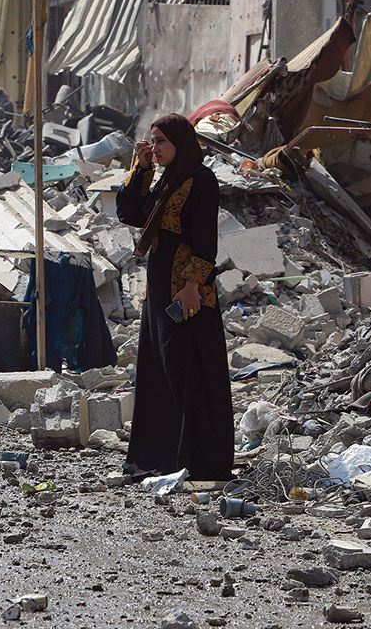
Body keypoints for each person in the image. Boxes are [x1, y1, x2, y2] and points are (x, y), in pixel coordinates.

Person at [115, 114, 234, 481]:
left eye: (162, 141)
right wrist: (142, 168)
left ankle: (197, 459)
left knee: (188, 368)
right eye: (152, 141)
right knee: (160, 368)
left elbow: (205, 240)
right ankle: (161, 456)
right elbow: (129, 212)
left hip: (187, 289)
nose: (156, 148)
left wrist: (193, 286)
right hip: (159, 285)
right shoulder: (166, 179)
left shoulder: (201, 180)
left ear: (181, 143)